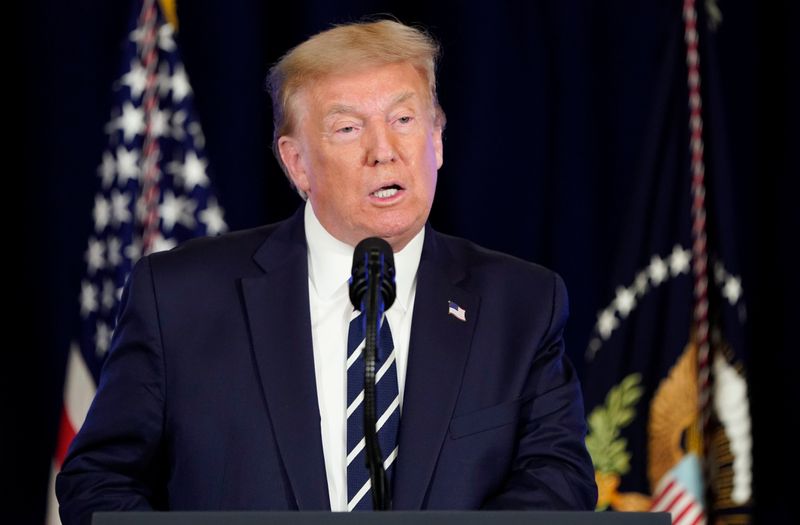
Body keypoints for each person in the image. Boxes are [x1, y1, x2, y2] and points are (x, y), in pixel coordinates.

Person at [56, 19, 597, 523]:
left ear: (437, 138)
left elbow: (559, 479)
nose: (383, 151)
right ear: (296, 163)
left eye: (404, 120)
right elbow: (99, 480)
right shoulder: (179, 297)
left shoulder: (521, 303)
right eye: (347, 128)